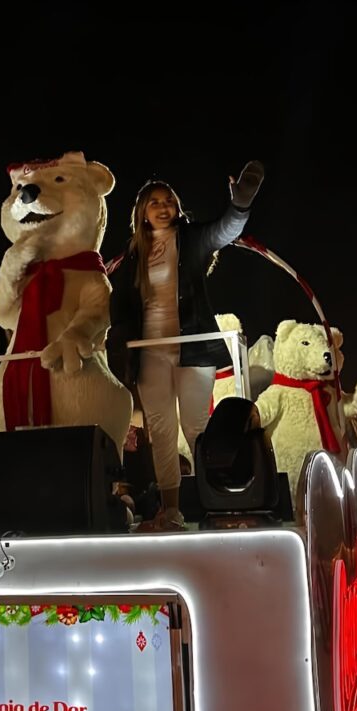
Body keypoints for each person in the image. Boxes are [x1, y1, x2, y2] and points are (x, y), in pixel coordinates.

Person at [108, 161, 265, 531]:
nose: (163, 208)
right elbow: (118, 307)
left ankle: (217, 501)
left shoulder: (192, 238)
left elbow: (225, 231)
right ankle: (172, 510)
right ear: (142, 213)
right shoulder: (130, 257)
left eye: (169, 201)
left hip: (193, 347)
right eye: (154, 203)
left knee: (197, 425)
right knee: (161, 430)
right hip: (151, 354)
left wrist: (240, 205)